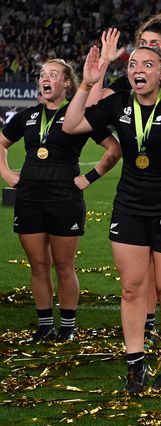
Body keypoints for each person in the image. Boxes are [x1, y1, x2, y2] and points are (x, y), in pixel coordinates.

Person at [63, 45, 161, 392]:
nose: (138, 70)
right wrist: (86, 84)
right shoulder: (118, 103)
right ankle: (136, 365)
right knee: (132, 288)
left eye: (147, 64)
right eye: (133, 64)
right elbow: (72, 124)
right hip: (130, 209)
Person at [96, 15, 161, 352]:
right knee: (143, 261)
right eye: (142, 42)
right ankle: (148, 322)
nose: (147, 48)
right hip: (139, 182)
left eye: (155, 44)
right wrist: (99, 69)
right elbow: (95, 106)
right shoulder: (132, 77)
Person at [0, 59, 120, 343]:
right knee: (38, 265)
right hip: (29, 198)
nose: (46, 78)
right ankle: (44, 326)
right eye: (42, 74)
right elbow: (1, 143)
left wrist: (89, 178)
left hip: (64, 199)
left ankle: (66, 327)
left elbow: (113, 149)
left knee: (64, 266)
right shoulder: (27, 115)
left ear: (66, 83)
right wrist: (6, 173)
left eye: (53, 74)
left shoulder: (79, 117)